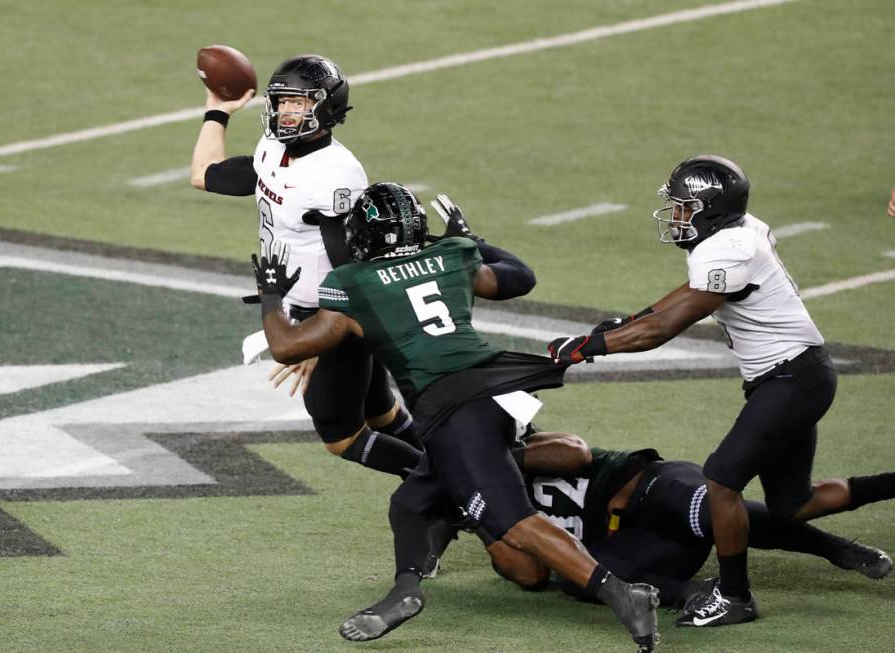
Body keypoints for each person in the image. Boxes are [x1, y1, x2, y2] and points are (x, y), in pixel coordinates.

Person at [253, 183, 660, 652]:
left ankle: (622, 595)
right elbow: (519, 277)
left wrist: (270, 293)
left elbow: (286, 346)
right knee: (410, 502)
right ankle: (403, 593)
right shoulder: (454, 255)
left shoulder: (353, 282)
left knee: (516, 523)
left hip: (454, 405)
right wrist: (471, 239)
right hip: (497, 389)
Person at [547, 154, 895, 627]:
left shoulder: (728, 248)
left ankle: (734, 596)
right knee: (792, 504)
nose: (677, 215)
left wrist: (592, 347)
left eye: (684, 205)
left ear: (709, 207)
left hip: (791, 378)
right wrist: (628, 319)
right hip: (792, 376)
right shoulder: (731, 232)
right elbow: (686, 295)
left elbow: (668, 326)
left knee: (721, 481)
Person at [190, 54, 422, 479]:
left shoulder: (334, 173)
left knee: (342, 436)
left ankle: (454, 486)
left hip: (336, 313)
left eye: (299, 103)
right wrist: (218, 110)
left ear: (327, 107)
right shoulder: (273, 149)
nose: (286, 112)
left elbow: (353, 268)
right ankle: (461, 469)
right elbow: (205, 174)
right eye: (282, 102)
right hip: (311, 310)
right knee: (381, 413)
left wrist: (315, 336)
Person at [486, 431, 893, 607]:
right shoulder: (475, 503)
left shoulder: (524, 443)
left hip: (650, 488)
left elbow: (575, 453)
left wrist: (499, 461)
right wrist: (481, 518)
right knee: (579, 579)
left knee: (710, 510)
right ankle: (697, 593)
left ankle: (836, 548)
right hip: (642, 548)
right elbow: (533, 575)